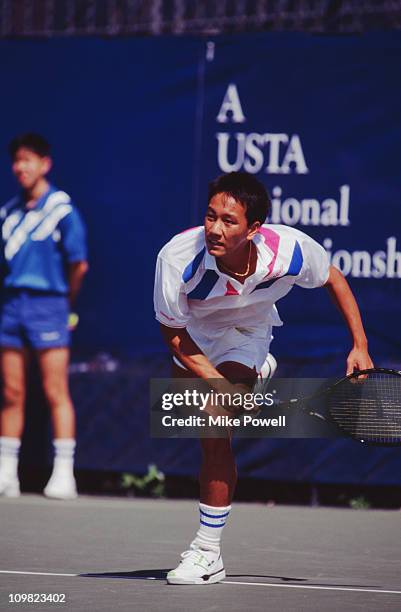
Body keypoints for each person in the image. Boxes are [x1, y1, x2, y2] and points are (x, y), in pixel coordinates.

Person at [154, 171, 373, 585]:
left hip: (248, 331)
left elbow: (334, 279)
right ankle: (255, 378)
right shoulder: (176, 259)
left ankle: (207, 552)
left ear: (254, 228)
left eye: (229, 221)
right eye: (210, 216)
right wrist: (218, 383)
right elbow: (172, 332)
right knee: (187, 416)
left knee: (214, 425)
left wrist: (359, 345)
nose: (215, 228)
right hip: (194, 335)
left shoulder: (288, 249)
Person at [0, 133, 88, 500]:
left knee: (55, 390)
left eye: (29, 160)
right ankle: (6, 475)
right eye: (17, 160)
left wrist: (62, 303)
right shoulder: (8, 214)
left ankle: (64, 475)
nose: (21, 167)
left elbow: (79, 265)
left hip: (50, 306)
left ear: (45, 164)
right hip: (11, 306)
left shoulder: (63, 211)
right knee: (11, 392)